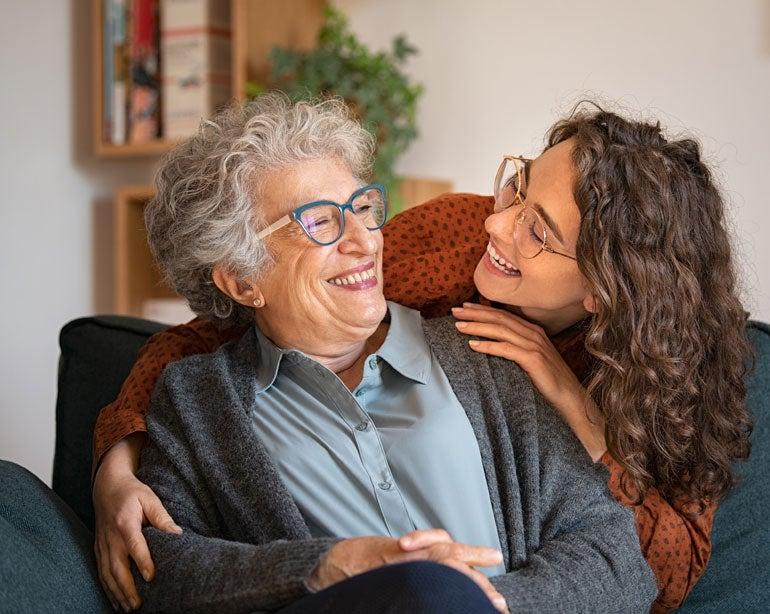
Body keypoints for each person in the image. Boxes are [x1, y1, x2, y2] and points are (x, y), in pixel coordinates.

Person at [92, 103, 749, 613]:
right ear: (242, 276)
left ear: (607, 288)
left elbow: (635, 566)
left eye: (363, 210)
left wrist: (479, 603)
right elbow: (167, 564)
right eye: (320, 221)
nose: (365, 239)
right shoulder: (451, 250)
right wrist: (115, 467)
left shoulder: (502, 364)